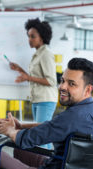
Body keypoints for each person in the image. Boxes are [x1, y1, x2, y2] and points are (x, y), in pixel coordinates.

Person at [9, 18, 58, 149]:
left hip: (46, 99)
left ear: (42, 37)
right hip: (37, 99)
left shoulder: (46, 54)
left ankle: (46, 165)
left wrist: (27, 78)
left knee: (42, 136)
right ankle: (46, 164)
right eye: (28, 36)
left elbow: (51, 81)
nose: (29, 39)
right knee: (41, 135)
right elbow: (34, 76)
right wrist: (19, 69)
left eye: (33, 36)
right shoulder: (38, 54)